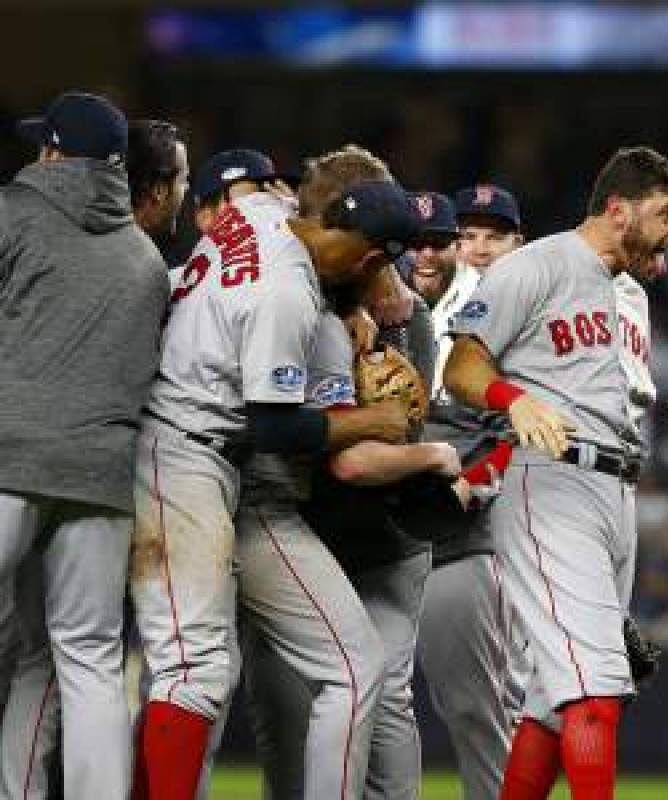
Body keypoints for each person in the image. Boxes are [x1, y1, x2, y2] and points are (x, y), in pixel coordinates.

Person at [129, 161, 418, 799]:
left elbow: (278, 191)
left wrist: (344, 312)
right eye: (376, 267)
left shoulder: (263, 210)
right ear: (370, 257)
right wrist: (375, 420)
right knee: (193, 672)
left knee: (350, 666)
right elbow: (275, 429)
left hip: (226, 470)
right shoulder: (286, 294)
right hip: (184, 456)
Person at [443, 146, 668, 800]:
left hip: (618, 491)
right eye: (667, 213)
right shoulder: (534, 266)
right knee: (597, 690)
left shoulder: (633, 292)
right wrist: (513, 399)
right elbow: (462, 369)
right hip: (551, 482)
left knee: (555, 700)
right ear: (618, 210)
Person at [239, 147, 445, 800]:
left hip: (379, 536)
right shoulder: (297, 278)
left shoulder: (404, 314)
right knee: (280, 706)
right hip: (296, 521)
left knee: (378, 696)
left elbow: (375, 450)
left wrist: (431, 455)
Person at [0, 116, 193, 800]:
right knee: (88, 659)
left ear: (53, 149)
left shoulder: (12, 212)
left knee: (34, 659)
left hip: (8, 461)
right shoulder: (142, 257)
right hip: (103, 475)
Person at [409, 185, 526, 800]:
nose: (430, 254)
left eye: (441, 242)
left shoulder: (489, 320)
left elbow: (517, 434)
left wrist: (471, 487)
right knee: (371, 701)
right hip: (381, 542)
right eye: (464, 235)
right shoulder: (385, 312)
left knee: (476, 707)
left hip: (464, 540)